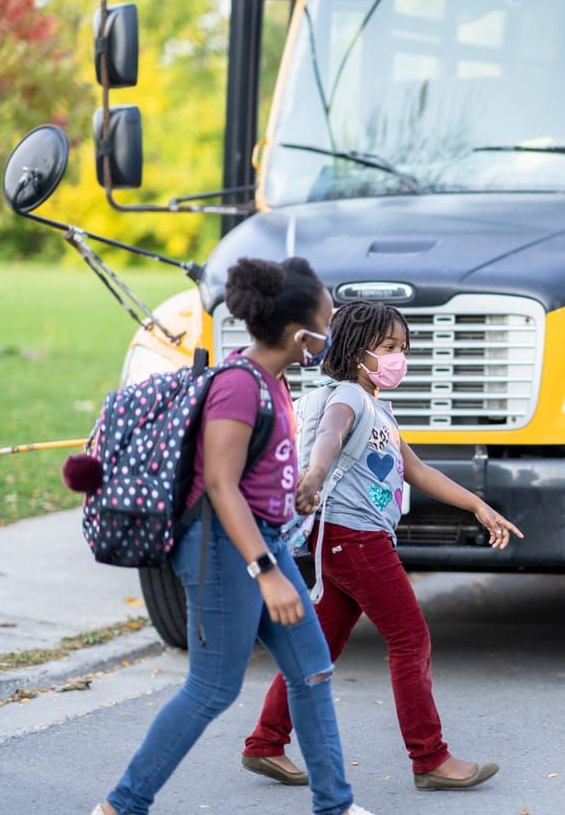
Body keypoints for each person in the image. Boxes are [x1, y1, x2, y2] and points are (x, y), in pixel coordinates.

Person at [94, 257, 371, 815]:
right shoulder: (238, 387)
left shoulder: (273, 381)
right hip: (223, 549)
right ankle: (121, 806)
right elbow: (221, 486)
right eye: (328, 320)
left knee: (312, 670)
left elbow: (251, 474)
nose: (333, 329)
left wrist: (290, 493)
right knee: (212, 688)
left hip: (260, 537)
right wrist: (267, 575)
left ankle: (334, 805)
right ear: (301, 336)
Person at [240, 300, 524, 792]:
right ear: (355, 352)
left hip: (344, 543)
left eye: (404, 349)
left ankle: (265, 742)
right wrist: (317, 472)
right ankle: (430, 758)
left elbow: (418, 470)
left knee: (320, 647)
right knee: (411, 640)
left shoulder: (377, 409)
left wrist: (479, 506)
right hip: (356, 541)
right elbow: (329, 433)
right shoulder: (347, 396)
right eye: (390, 348)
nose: (400, 358)